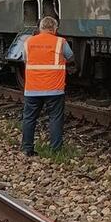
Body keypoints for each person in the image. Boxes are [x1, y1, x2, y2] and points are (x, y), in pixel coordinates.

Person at [20, 16, 73, 156]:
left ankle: (27, 148)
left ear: (40, 28)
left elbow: (25, 59)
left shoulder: (28, 42)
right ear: (54, 29)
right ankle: (55, 150)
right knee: (55, 118)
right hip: (54, 89)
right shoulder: (60, 42)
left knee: (29, 118)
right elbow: (70, 57)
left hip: (32, 89)